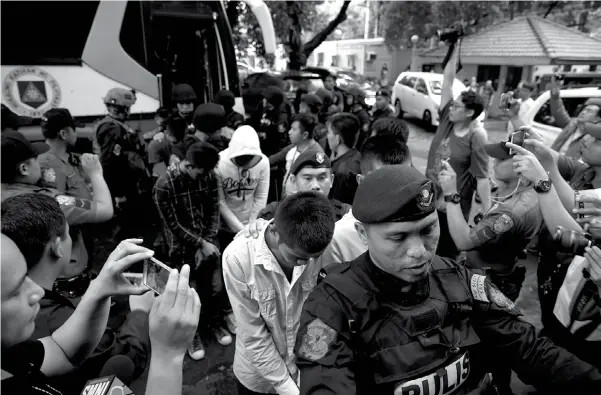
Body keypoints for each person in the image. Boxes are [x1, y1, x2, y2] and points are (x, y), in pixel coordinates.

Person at [294, 164, 601, 394]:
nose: (418, 252)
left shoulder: (458, 279)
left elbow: (528, 347)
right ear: (363, 234)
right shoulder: (331, 308)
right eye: (397, 237)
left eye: (428, 230)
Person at [1, 194, 153, 394]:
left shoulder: (11, 356)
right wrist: (167, 353)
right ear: (57, 247)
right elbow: (130, 357)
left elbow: (60, 350)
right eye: (17, 289)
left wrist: (99, 290)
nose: (37, 291)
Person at [223, 191, 336, 395]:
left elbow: (325, 315)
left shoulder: (324, 245)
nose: (306, 264)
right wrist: (287, 387)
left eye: (314, 257)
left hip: (307, 368)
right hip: (258, 377)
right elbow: (253, 335)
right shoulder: (238, 258)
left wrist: (310, 367)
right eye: (297, 257)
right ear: (274, 230)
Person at [1, 131, 113, 294]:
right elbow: (104, 209)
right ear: (24, 168)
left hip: (18, 288)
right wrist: (95, 174)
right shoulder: (48, 201)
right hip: (60, 291)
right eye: (35, 159)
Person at [438, 141, 543, 301]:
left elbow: (464, 242)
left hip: (487, 286)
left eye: (500, 159)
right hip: (486, 273)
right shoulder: (520, 190)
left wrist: (451, 194)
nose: (494, 161)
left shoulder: (511, 212)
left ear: (522, 164)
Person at [153, 142, 229, 360]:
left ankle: (213, 323)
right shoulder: (164, 184)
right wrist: (199, 244)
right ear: (190, 165)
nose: (206, 176)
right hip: (179, 247)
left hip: (208, 243)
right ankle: (191, 335)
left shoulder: (211, 176)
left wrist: (206, 242)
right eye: (202, 172)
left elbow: (214, 210)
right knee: (185, 293)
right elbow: (172, 225)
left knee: (213, 289)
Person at [316, 135, 412, 267]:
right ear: (361, 181)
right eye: (382, 181)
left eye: (404, 179)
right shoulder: (341, 238)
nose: (395, 190)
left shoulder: (423, 223)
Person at [95, 87, 152, 242]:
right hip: (123, 189)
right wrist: (118, 193)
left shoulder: (112, 125)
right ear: (120, 108)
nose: (128, 112)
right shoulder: (112, 129)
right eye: (127, 108)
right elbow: (111, 162)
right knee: (127, 230)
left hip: (126, 186)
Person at [258, 150, 351, 222]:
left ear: (331, 180)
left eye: (321, 178)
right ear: (293, 181)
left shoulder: (345, 215)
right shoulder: (274, 214)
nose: (315, 186)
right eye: (308, 178)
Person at [216, 125, 270, 244]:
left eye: (249, 158)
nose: (245, 161)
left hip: (252, 227)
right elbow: (221, 202)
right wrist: (241, 230)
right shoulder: (219, 163)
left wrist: (251, 225)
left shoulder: (263, 163)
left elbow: (261, 197)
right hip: (225, 228)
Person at [276, 114, 324, 198]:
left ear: (305, 135)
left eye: (294, 129)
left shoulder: (317, 156)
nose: (289, 132)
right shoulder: (294, 148)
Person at [327, 113, 362, 205]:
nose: (327, 136)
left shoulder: (341, 172)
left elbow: (338, 207)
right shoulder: (358, 157)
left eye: (329, 132)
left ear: (338, 138)